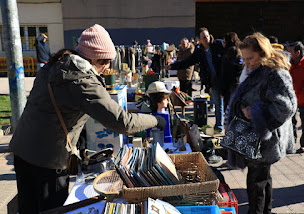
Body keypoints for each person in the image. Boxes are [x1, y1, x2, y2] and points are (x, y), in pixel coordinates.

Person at [9, 24, 166, 213]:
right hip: (48, 160)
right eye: (106, 61)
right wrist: (157, 120)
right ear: (93, 57)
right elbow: (122, 122)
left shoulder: (55, 65)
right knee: (51, 209)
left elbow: (53, 107)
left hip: (23, 148)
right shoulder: (82, 79)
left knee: (28, 208)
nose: (107, 67)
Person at [226, 32, 297, 214]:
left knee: (256, 181)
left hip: (264, 139)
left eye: (250, 58)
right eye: (244, 59)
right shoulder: (259, 70)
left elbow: (287, 106)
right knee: (262, 178)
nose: (247, 63)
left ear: (263, 52)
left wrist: (256, 113)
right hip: (257, 137)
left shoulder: (275, 74)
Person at [166, 27, 224, 133]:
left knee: (226, 103)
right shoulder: (200, 51)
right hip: (212, 81)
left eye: (207, 36)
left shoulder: (218, 44)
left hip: (223, 78)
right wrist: (173, 66)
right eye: (203, 37)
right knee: (217, 103)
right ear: (200, 40)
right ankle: (219, 126)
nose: (206, 39)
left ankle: (224, 125)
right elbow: (188, 61)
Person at [220, 32, 243, 110]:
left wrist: (222, 90)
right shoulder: (240, 52)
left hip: (229, 86)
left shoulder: (227, 54)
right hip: (239, 83)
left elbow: (224, 73)